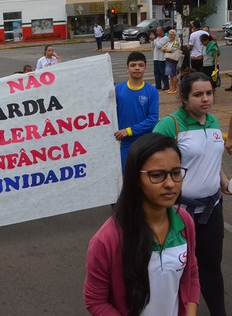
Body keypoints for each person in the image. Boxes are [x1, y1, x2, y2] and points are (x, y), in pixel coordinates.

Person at [84, 133, 199, 316]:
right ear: (136, 179)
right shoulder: (107, 240)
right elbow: (95, 300)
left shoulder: (185, 221)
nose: (170, 184)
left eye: (176, 173)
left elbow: (191, 273)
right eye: (157, 175)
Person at [153, 71, 230, 316]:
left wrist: (224, 181)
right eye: (198, 95)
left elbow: (213, 158)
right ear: (184, 98)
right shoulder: (170, 125)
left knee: (211, 267)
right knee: (177, 268)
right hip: (177, 213)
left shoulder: (213, 122)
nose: (205, 99)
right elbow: (151, 165)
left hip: (212, 210)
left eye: (209, 93)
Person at [114, 51, 160, 171]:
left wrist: (128, 130)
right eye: (133, 65)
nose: (137, 68)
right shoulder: (117, 90)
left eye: (140, 65)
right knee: (127, 176)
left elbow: (152, 119)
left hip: (144, 143)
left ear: (145, 68)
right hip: (124, 143)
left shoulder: (152, 91)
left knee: (144, 176)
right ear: (127, 68)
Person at [149, 26, 170, 91]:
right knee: (156, 73)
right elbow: (153, 46)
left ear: (161, 31)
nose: (156, 32)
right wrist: (152, 41)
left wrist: (154, 40)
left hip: (162, 58)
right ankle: (158, 85)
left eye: (158, 30)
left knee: (163, 73)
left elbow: (159, 46)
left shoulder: (165, 38)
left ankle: (166, 85)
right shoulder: (157, 38)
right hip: (156, 57)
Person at [163, 29, 182, 94]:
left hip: (173, 59)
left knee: (173, 74)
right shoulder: (170, 42)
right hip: (168, 59)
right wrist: (165, 49)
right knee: (170, 75)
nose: (170, 36)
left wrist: (165, 49)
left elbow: (171, 50)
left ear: (174, 35)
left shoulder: (176, 42)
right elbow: (163, 48)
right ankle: (171, 88)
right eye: (169, 34)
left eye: (171, 35)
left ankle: (174, 88)